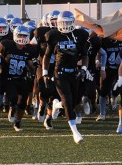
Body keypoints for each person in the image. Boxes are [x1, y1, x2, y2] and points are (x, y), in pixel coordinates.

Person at [42, 10, 89, 144]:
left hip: (73, 73)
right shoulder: (53, 35)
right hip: (60, 73)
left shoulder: (80, 35)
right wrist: (45, 73)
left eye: (68, 22)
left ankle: (56, 105)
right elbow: (46, 55)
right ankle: (75, 132)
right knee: (68, 102)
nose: (66, 25)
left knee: (72, 103)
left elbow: (85, 55)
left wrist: (84, 69)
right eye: (63, 22)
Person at [0, 25, 38, 131]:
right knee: (13, 98)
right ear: (15, 35)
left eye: (24, 36)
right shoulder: (7, 45)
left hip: (21, 78)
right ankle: (12, 107)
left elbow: (29, 63)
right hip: (8, 78)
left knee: (23, 102)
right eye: (20, 35)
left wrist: (33, 69)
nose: (22, 38)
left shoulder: (29, 49)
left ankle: (18, 122)